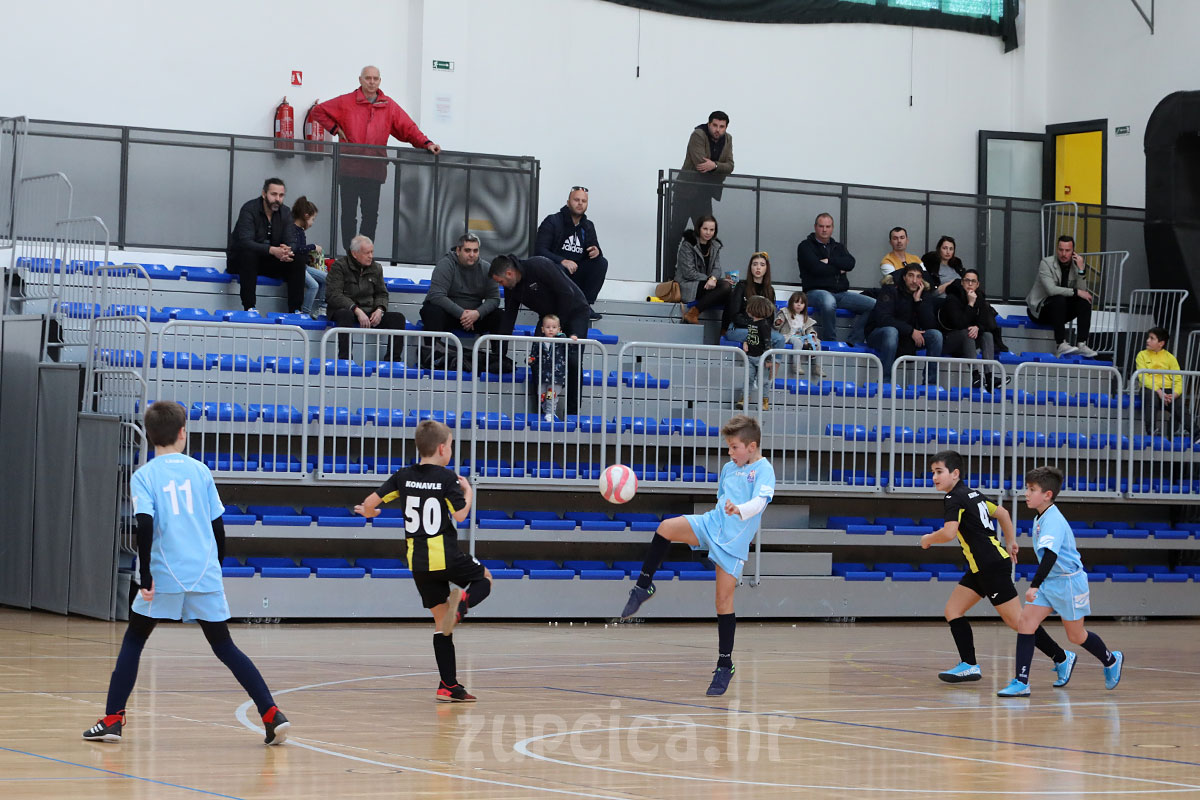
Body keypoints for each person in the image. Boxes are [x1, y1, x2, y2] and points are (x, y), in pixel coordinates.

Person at [83, 401, 290, 745]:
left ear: (149, 435)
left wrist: (145, 575)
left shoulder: (144, 475)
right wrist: (216, 568)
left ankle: (112, 719)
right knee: (224, 645)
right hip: (204, 573)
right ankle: (271, 714)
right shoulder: (200, 471)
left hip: (165, 573)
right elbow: (218, 527)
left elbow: (144, 525)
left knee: (135, 639)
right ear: (183, 433)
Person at [619, 414, 774, 697]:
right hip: (711, 524)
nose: (730, 453)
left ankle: (725, 665)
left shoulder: (764, 470)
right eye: (728, 447)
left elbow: (759, 502)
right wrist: (725, 512)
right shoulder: (729, 468)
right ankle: (643, 586)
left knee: (723, 602)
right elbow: (721, 498)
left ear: (751, 446)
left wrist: (740, 510)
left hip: (732, 544)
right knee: (666, 527)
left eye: (735, 447)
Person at [353, 420, 492, 703]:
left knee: (442, 623)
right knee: (485, 579)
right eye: (451, 445)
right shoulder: (447, 478)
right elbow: (461, 515)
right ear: (442, 448)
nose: (450, 450)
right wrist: (469, 493)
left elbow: (368, 504)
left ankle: (448, 686)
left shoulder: (402, 476)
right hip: (446, 555)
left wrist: (370, 513)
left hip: (418, 563)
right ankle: (462, 607)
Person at [919, 450, 1071, 685]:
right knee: (953, 610)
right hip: (981, 566)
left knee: (1019, 622)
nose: (934, 477)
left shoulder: (953, 498)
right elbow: (1003, 513)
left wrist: (928, 539)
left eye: (939, 472)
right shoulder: (973, 494)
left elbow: (949, 532)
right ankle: (969, 664)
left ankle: (1061, 657)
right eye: (932, 473)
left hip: (990, 566)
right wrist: (1010, 542)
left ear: (955, 473)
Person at [998, 466, 1124, 697]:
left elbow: (1050, 556)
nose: (1026, 493)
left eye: (1032, 489)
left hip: (1068, 583)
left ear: (1047, 494)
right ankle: (1021, 681)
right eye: (1027, 488)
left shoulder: (1053, 520)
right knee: (1026, 623)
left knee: (1076, 635)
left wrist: (1034, 585)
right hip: (1051, 582)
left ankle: (1111, 660)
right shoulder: (1041, 516)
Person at [310, 65, 442, 254]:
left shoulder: (388, 106)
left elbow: (408, 128)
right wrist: (335, 129)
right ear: (360, 80)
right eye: (368, 78)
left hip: (373, 170)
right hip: (349, 168)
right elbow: (317, 111)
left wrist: (427, 143)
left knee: (370, 215)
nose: (372, 82)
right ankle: (350, 253)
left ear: (380, 81)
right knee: (348, 214)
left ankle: (364, 253)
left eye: (375, 78)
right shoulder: (346, 101)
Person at [490, 254, 591, 414]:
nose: (501, 285)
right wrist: (500, 353)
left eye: (500, 281)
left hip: (575, 311)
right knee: (537, 359)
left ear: (509, 273)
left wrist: (558, 328)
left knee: (573, 360)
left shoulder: (538, 265)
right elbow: (509, 317)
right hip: (548, 316)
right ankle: (543, 409)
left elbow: (567, 293)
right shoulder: (512, 287)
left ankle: (572, 413)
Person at [420, 233, 511, 373]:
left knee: (500, 316)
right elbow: (436, 295)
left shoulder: (486, 268)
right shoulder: (446, 264)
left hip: (475, 317)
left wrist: (477, 313)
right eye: (467, 250)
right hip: (449, 315)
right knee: (432, 310)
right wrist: (462, 314)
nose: (472, 255)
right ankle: (431, 357)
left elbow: (494, 299)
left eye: (475, 250)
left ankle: (499, 360)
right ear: (458, 250)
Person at [667, 111, 735, 276]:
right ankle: (668, 274)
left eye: (722, 127)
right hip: (685, 193)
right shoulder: (698, 134)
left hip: (704, 194)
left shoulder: (728, 139)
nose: (718, 130)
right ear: (709, 124)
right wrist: (718, 167)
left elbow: (730, 166)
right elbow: (700, 163)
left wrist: (715, 166)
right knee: (675, 234)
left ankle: (705, 275)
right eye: (715, 125)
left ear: (726, 127)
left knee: (707, 235)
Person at [226, 177, 303, 312]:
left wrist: (287, 250)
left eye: (281, 195)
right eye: (273, 194)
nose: (277, 199)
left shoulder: (285, 212)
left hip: (268, 262)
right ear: (264, 194)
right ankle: (249, 307)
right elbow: (245, 242)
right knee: (248, 255)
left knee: (298, 259)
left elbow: (292, 240)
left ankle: (295, 309)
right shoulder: (249, 209)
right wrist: (272, 250)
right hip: (241, 262)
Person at [797, 213, 874, 345]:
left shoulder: (839, 247)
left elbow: (850, 263)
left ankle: (854, 341)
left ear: (832, 228)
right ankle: (830, 342)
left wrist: (829, 261)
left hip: (841, 293)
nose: (824, 230)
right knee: (829, 301)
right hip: (814, 293)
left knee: (874, 305)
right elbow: (816, 268)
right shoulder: (805, 246)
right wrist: (838, 269)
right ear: (815, 227)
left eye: (828, 226)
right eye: (821, 226)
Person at [326, 235, 407, 361]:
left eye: (372, 252)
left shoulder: (376, 268)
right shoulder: (339, 266)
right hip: (346, 309)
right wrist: (356, 309)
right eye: (367, 253)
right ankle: (345, 360)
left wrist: (380, 309)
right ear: (354, 254)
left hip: (368, 310)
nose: (371, 256)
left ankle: (393, 362)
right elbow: (334, 295)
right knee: (345, 315)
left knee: (398, 318)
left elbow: (382, 294)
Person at [535, 187, 607, 320]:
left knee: (601, 263)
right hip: (554, 272)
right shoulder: (553, 221)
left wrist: (597, 251)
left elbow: (594, 252)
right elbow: (540, 251)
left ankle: (584, 305)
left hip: (576, 274)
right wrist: (562, 261)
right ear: (568, 202)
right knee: (560, 268)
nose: (580, 203)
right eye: (576, 200)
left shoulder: (588, 226)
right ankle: (561, 305)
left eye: (584, 201)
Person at [865, 263, 943, 383]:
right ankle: (885, 381)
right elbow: (883, 319)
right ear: (904, 277)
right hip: (879, 334)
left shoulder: (924, 294)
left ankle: (930, 383)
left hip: (907, 337)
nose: (914, 281)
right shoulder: (890, 290)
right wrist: (910, 331)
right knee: (891, 332)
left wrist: (918, 302)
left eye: (918, 277)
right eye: (911, 276)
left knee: (935, 335)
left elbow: (929, 325)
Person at [1026, 235, 1099, 358]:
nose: (1063, 254)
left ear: (1073, 251)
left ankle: (1082, 344)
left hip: (1060, 312)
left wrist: (1081, 269)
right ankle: (1060, 344)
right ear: (1057, 249)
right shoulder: (1046, 263)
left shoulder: (1075, 265)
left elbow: (1082, 291)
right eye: (1060, 250)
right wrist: (1076, 292)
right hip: (1040, 311)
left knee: (1084, 301)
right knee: (1059, 298)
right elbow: (1051, 290)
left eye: (1067, 250)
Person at [940, 269, 1004, 389]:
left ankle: (989, 376)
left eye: (973, 281)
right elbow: (960, 324)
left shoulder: (980, 299)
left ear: (977, 284)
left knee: (987, 335)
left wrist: (978, 327)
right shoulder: (952, 299)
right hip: (949, 340)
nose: (970, 284)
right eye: (967, 280)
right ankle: (975, 375)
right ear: (962, 282)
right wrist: (970, 304)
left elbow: (986, 322)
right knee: (967, 332)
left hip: (969, 343)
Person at [678, 215, 734, 325]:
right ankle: (692, 314)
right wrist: (710, 279)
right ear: (699, 228)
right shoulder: (688, 245)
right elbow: (688, 273)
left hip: (707, 285)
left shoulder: (715, 246)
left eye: (711, 230)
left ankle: (724, 331)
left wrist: (713, 279)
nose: (708, 232)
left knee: (731, 293)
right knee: (725, 286)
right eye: (705, 229)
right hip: (689, 285)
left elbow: (717, 268)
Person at [724, 252, 784, 349]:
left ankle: (769, 359)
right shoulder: (741, 286)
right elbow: (735, 315)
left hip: (761, 329)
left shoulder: (770, 290)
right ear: (750, 267)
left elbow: (770, 318)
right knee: (766, 337)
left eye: (762, 265)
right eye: (755, 264)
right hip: (739, 329)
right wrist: (754, 326)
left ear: (767, 268)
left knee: (780, 339)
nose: (758, 268)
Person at [1135, 327, 1188, 436]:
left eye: (1152, 338)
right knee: (1151, 396)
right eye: (1148, 337)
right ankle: (1151, 430)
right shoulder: (1141, 355)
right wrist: (1159, 391)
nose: (1147, 340)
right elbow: (1143, 377)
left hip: (1168, 390)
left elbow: (1178, 379)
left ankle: (1197, 434)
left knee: (1179, 406)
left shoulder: (1170, 358)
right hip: (1149, 388)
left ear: (1161, 343)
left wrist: (1174, 394)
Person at [737, 296, 776, 412]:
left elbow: (767, 342)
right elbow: (751, 336)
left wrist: (768, 359)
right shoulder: (751, 323)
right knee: (748, 378)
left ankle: (764, 402)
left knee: (763, 381)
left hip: (762, 358)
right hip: (750, 356)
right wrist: (745, 342)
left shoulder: (764, 325)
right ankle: (744, 399)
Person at [529, 314, 570, 421]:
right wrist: (530, 360)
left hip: (556, 376)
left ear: (559, 329)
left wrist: (570, 339)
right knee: (542, 395)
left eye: (554, 327)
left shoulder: (561, 342)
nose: (551, 330)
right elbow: (534, 355)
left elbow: (570, 348)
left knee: (550, 395)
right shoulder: (539, 342)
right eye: (548, 327)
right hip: (542, 375)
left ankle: (550, 412)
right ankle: (546, 411)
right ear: (543, 329)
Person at [291, 196, 327, 319]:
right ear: (306, 216)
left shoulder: (300, 230)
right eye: (313, 219)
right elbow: (296, 249)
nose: (312, 223)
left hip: (304, 266)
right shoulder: (293, 230)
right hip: (297, 267)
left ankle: (322, 308)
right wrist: (312, 247)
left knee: (328, 278)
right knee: (314, 285)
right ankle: (305, 313)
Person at [774, 290, 822, 377]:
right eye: (796, 302)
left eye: (802, 303)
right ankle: (796, 365)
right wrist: (778, 322)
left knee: (817, 342)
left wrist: (812, 334)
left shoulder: (805, 317)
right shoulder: (785, 313)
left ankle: (817, 367)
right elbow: (777, 325)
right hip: (788, 336)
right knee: (797, 341)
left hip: (802, 337)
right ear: (791, 303)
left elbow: (809, 329)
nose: (799, 305)